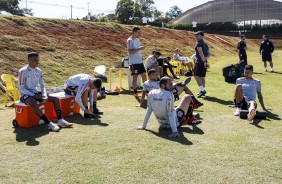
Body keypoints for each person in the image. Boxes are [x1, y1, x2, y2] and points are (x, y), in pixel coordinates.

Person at [18, 52, 73, 131]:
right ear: (29, 61)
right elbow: (21, 88)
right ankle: (49, 124)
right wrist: (33, 95)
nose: (37, 62)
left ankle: (60, 120)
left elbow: (42, 85)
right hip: (25, 94)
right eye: (35, 60)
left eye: (38, 60)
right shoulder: (22, 71)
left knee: (55, 99)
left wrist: (44, 94)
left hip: (36, 93)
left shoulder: (39, 71)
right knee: (33, 102)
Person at [136, 77, 202, 138]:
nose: (172, 86)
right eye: (170, 85)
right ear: (163, 85)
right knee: (187, 97)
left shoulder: (151, 93)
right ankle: (190, 118)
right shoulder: (169, 94)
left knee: (175, 108)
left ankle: (189, 117)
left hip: (161, 124)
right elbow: (171, 113)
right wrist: (175, 131)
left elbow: (148, 111)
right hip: (173, 124)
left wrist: (143, 126)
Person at [138, 69, 203, 109]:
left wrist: (141, 104)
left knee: (179, 86)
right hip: (166, 98)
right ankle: (195, 102)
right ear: (150, 76)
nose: (157, 76)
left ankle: (195, 102)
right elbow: (170, 87)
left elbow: (143, 94)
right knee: (184, 87)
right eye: (155, 74)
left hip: (157, 101)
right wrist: (178, 83)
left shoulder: (146, 83)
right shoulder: (158, 83)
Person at [127, 27, 147, 98]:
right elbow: (130, 52)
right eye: (138, 32)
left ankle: (146, 90)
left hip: (140, 61)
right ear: (134, 32)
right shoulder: (129, 40)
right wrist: (140, 48)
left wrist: (140, 50)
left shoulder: (138, 39)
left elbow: (137, 50)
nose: (139, 33)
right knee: (135, 78)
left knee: (144, 75)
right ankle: (135, 92)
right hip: (134, 62)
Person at [194, 31, 211, 98]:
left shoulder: (198, 44)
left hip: (199, 62)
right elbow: (209, 54)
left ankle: (202, 90)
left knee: (196, 76)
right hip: (204, 62)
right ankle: (203, 89)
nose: (195, 36)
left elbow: (200, 52)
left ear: (201, 36)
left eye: (197, 35)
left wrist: (203, 60)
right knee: (202, 77)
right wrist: (205, 59)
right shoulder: (205, 44)